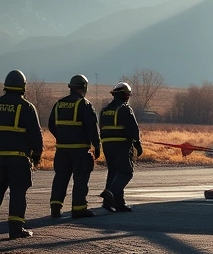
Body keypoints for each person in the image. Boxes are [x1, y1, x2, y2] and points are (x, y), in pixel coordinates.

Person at [0, 69, 43, 239]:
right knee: (18, 192)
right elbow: (36, 134)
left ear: (6, 86)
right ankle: (15, 229)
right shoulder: (27, 107)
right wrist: (36, 156)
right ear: (23, 86)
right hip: (18, 159)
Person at [48, 74, 100, 219]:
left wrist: (62, 137)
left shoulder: (59, 104)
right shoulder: (84, 104)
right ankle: (79, 208)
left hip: (62, 150)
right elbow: (92, 128)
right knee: (80, 179)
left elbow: (51, 124)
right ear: (84, 87)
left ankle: (55, 208)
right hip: (80, 150)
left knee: (60, 178)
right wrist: (97, 146)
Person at [99, 81, 142, 212]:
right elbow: (133, 129)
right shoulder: (125, 109)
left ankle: (116, 203)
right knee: (126, 172)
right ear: (125, 96)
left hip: (107, 145)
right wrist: (137, 144)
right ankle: (110, 193)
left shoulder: (105, 110)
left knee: (113, 171)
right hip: (122, 144)